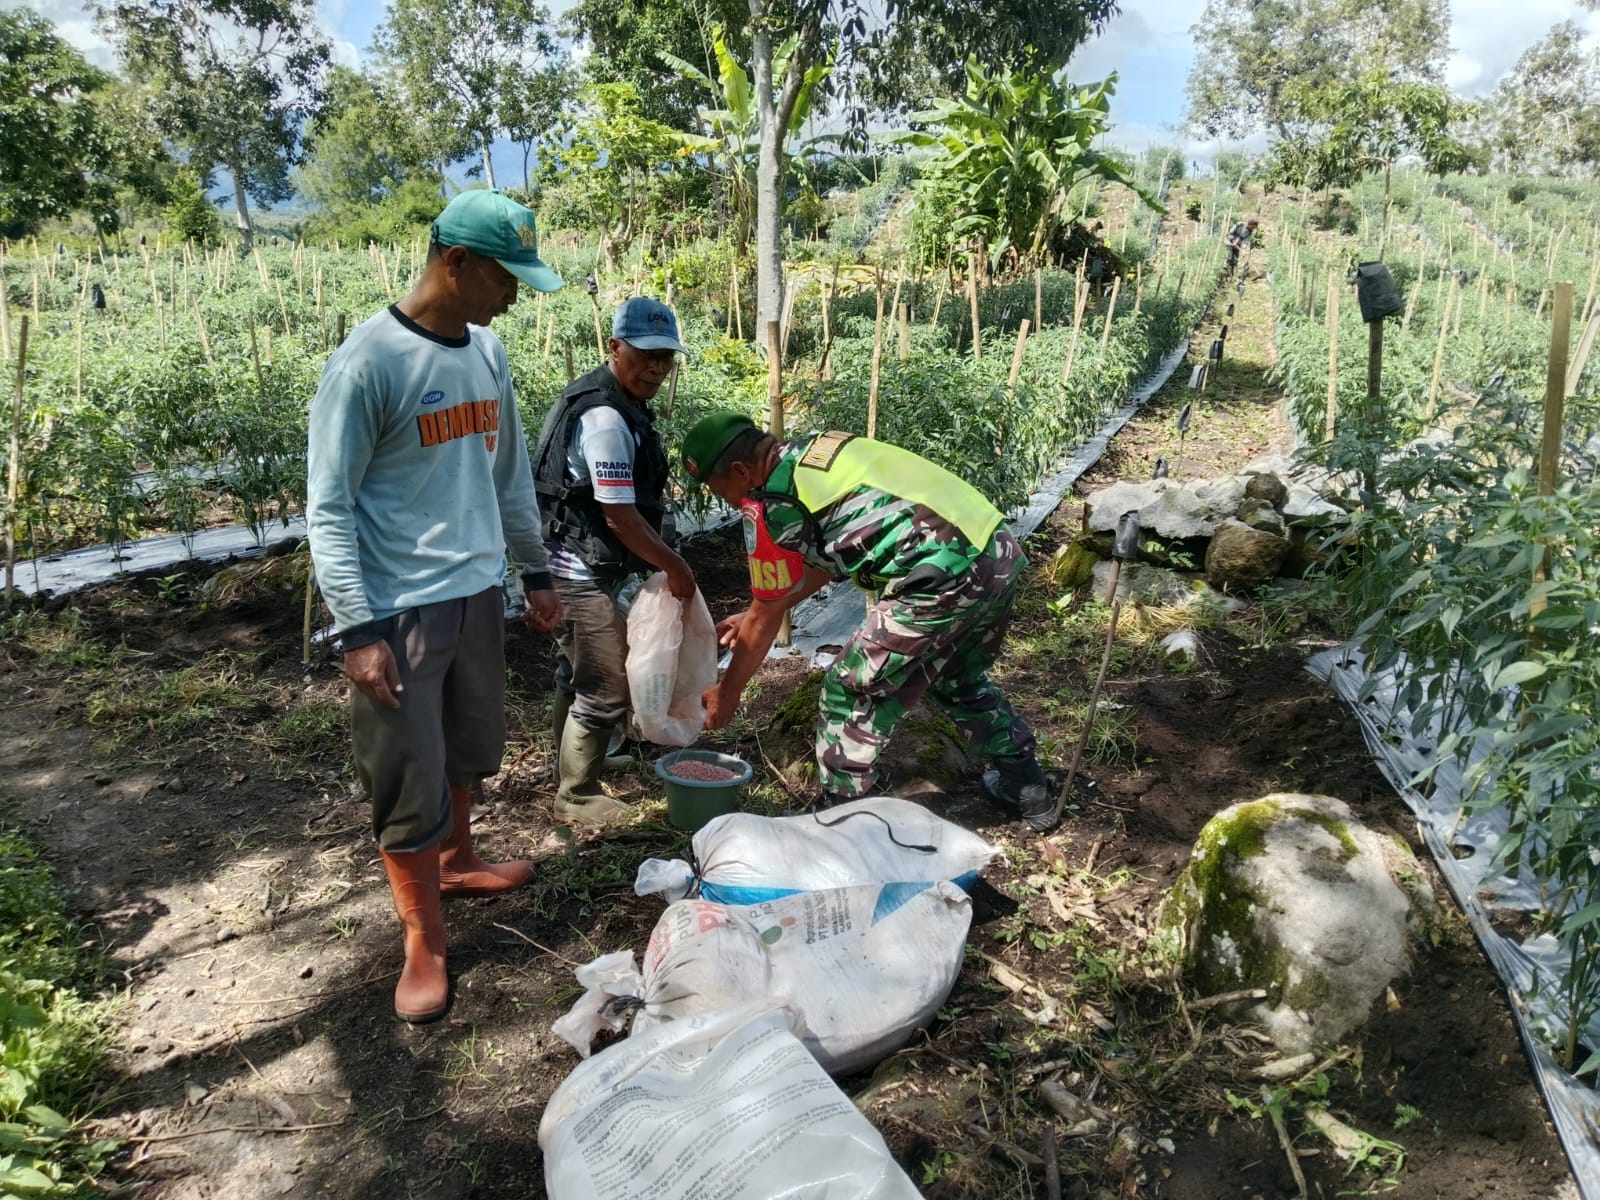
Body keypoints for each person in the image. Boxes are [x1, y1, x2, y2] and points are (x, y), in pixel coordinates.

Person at [306, 189, 565, 1023]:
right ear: (455, 263)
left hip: (475, 594)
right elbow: (329, 507)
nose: (514, 296)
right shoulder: (370, 364)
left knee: (468, 746)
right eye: (504, 277)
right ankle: (424, 936)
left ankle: (458, 857)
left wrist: (535, 573)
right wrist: (357, 628)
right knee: (407, 769)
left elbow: (508, 476)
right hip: (398, 609)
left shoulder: (486, 355)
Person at [681, 414, 1060, 832]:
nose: (728, 504)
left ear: (740, 472)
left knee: (848, 687)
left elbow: (766, 615)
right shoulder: (816, 450)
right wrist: (756, 611)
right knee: (957, 676)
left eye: (723, 493)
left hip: (941, 574)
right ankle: (1027, 787)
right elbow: (825, 561)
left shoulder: (775, 502)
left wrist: (729, 692)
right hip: (995, 551)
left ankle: (845, 820)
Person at [531, 297, 694, 827]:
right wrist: (675, 566)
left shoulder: (612, 399)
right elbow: (620, 516)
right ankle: (576, 794)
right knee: (606, 681)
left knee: (576, 670)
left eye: (666, 357)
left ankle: (571, 761)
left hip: (575, 557)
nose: (656, 367)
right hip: (575, 565)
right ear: (615, 347)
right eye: (646, 355)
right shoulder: (605, 418)